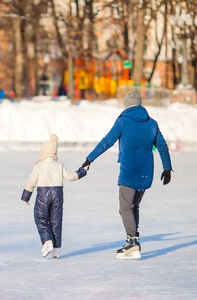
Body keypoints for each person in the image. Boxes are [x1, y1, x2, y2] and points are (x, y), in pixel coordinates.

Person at [81, 90, 172, 260]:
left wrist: (89, 159)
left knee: (125, 207)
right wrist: (167, 168)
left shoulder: (122, 121)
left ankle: (132, 243)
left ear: (126, 105)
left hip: (129, 170)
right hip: (146, 171)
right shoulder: (152, 123)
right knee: (133, 206)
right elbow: (162, 146)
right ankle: (133, 240)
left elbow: (106, 142)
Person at [21, 134, 87, 259]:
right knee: (56, 221)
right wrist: (82, 171)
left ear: (43, 152)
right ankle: (56, 249)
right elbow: (70, 176)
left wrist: (26, 196)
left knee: (40, 218)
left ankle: (47, 241)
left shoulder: (39, 165)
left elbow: (31, 181)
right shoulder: (59, 165)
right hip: (57, 194)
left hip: (43, 194)